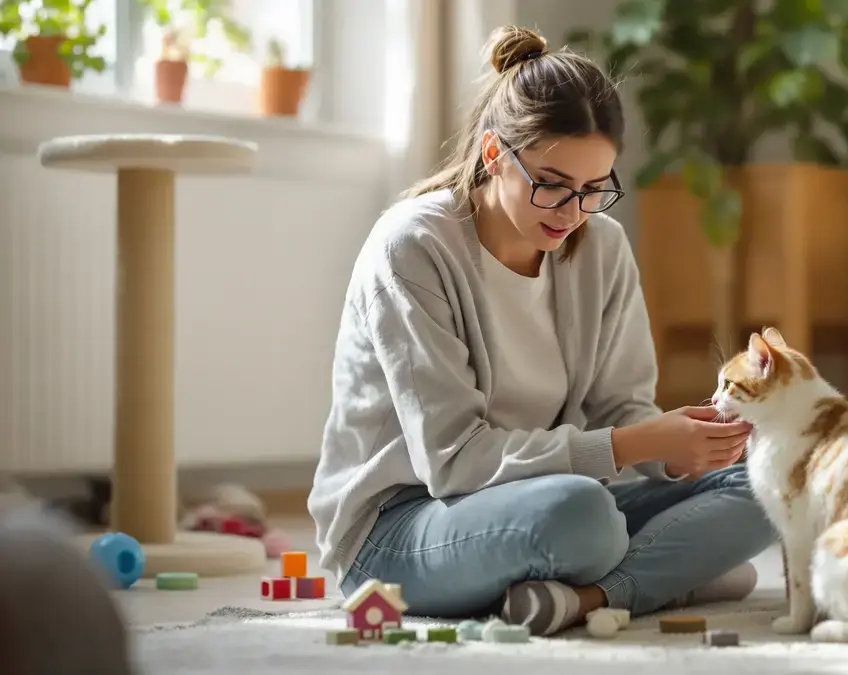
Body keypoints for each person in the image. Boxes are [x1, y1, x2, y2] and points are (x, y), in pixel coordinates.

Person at [307, 24, 778, 637]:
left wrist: (685, 448)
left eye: (592, 190)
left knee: (772, 481)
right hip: (402, 527)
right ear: (494, 153)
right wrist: (635, 446)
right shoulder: (414, 247)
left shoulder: (600, 247)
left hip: (545, 500)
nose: (572, 212)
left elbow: (620, 405)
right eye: (552, 185)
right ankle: (666, 575)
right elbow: (453, 462)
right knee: (582, 517)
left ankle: (587, 596)